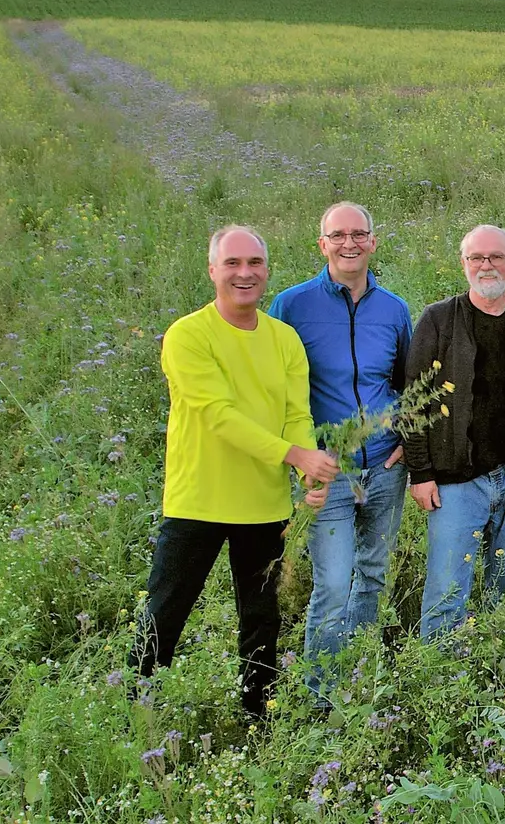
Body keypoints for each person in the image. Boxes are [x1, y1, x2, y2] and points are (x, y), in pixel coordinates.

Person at [132, 225, 340, 718]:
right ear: (212, 271)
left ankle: (257, 712)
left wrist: (310, 471)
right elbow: (218, 415)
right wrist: (296, 457)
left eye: (254, 264)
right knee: (166, 611)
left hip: (263, 505)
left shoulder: (284, 339)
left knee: (261, 619)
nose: (244, 273)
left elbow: (297, 415)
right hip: (198, 501)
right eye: (232, 264)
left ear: (267, 271)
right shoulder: (187, 335)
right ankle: (138, 710)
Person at [267, 202, 412, 705]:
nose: (349, 243)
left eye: (359, 234)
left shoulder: (393, 309)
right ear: (322, 243)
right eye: (338, 235)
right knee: (332, 582)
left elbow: (406, 386)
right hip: (326, 473)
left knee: (373, 573)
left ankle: (359, 676)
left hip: (386, 468)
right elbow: (274, 392)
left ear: (373, 241)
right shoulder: (291, 306)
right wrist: (301, 460)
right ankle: (322, 694)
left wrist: (405, 443)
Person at [406, 224, 505, 640]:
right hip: (454, 480)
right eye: (477, 258)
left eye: (497, 257)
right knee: (448, 589)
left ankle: (502, 664)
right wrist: (420, 472)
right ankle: (438, 672)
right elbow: (414, 400)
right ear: (464, 264)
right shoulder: (439, 319)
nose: (488, 266)